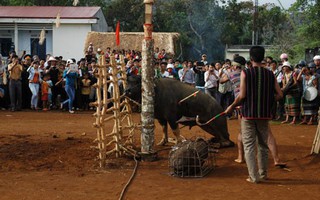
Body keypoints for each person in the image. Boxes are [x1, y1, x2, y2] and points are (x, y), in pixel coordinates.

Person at [225, 46, 283, 183]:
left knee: (249, 146)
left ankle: (253, 177)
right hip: (264, 115)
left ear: (251, 58)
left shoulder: (246, 73)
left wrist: (231, 106)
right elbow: (280, 94)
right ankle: (263, 175)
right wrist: (268, 99)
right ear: (263, 58)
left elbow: (242, 95)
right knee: (263, 145)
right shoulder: (270, 74)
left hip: (248, 115)